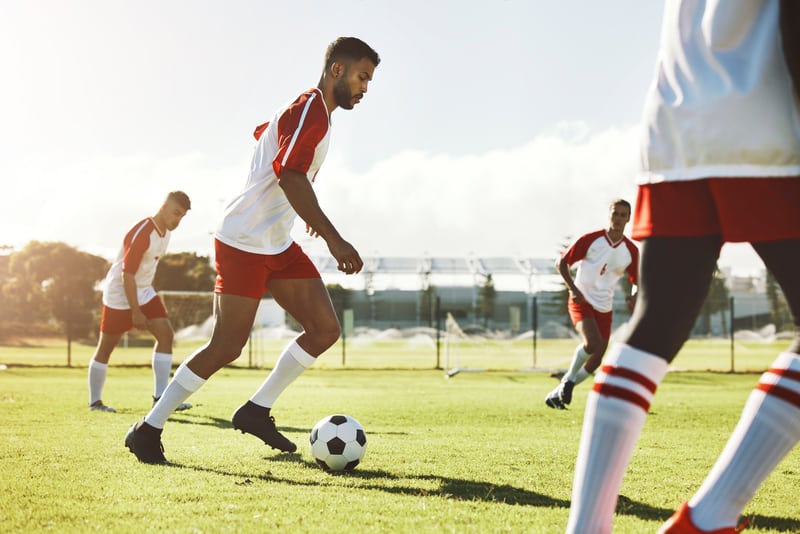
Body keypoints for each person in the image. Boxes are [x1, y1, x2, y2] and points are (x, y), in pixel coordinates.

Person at [566, 1, 800, 532]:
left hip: (675, 120)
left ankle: (587, 527)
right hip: (770, 117)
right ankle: (712, 515)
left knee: (655, 322)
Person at [125, 37, 381, 464]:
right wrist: (333, 236)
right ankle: (147, 429)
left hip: (276, 244)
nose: (365, 87)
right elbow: (290, 175)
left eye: (369, 80)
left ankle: (256, 409)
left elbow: (271, 142)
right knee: (227, 346)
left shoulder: (309, 113)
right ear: (337, 69)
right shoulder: (312, 110)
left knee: (325, 329)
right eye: (361, 76)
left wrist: (295, 205)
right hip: (243, 242)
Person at [88, 191, 192, 412]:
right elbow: (127, 275)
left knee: (166, 335)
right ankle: (95, 402)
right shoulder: (142, 233)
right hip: (120, 293)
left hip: (144, 290)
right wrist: (135, 312)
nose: (178, 220)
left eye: (182, 216)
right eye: (175, 213)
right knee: (106, 348)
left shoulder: (166, 233)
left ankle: (161, 398)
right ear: (163, 206)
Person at [544, 199, 638, 410]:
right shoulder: (591, 239)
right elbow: (562, 262)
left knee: (596, 358)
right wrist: (573, 290)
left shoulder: (630, 250)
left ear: (629, 219)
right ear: (609, 215)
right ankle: (568, 381)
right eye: (616, 213)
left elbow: (636, 281)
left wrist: (634, 295)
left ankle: (557, 393)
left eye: (624, 215)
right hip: (582, 299)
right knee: (592, 343)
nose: (619, 218)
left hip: (605, 306)